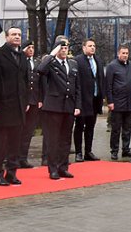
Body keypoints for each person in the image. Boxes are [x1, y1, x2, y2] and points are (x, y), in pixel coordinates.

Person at [0, 27, 30, 186]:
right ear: (6, 37)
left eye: (19, 34)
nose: (17, 37)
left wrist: (26, 101)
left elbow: (25, 80)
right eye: (13, 34)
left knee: (15, 143)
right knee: (0, 143)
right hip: (2, 106)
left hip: (18, 107)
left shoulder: (23, 56)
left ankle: (12, 173)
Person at [37, 39, 81, 179]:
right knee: (53, 139)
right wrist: (51, 54)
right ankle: (53, 169)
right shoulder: (51, 63)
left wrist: (77, 105)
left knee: (66, 139)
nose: (64, 50)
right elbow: (40, 70)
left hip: (68, 106)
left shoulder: (72, 64)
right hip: (53, 107)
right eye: (61, 48)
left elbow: (77, 87)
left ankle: (63, 167)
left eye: (66, 48)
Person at [104, 44, 131, 160]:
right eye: (123, 53)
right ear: (118, 54)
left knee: (127, 128)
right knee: (116, 129)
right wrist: (110, 101)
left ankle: (126, 149)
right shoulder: (112, 66)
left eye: (127, 53)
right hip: (117, 103)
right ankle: (114, 151)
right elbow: (108, 85)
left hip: (129, 102)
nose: (125, 55)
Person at [74, 38, 104, 162]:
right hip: (83, 100)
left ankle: (88, 151)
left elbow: (101, 79)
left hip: (95, 100)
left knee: (91, 127)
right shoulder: (77, 61)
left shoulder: (98, 61)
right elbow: (76, 82)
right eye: (90, 46)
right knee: (80, 126)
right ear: (84, 48)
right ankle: (78, 152)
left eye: (94, 46)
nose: (92, 48)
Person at [19, 40, 41, 169]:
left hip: (34, 100)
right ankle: (14, 157)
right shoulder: (20, 61)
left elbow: (39, 82)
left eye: (32, 47)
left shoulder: (36, 63)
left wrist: (40, 99)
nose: (31, 50)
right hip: (23, 101)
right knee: (19, 130)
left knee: (28, 131)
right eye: (28, 47)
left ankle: (23, 157)